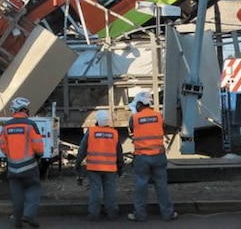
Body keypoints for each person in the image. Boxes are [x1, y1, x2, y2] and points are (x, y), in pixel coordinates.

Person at [127, 91, 176, 222]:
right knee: (161, 186)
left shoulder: (135, 118)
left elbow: (132, 128)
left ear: (139, 104)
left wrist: (134, 113)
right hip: (158, 156)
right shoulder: (159, 116)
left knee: (141, 186)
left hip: (142, 157)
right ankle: (168, 214)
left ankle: (140, 214)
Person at [0, 96, 44, 228]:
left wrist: (11, 156)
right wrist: (39, 155)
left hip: (13, 168)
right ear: (23, 109)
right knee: (34, 189)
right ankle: (29, 215)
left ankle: (18, 222)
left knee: (17, 196)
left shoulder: (7, 126)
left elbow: (2, 146)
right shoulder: (30, 124)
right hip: (29, 167)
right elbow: (38, 147)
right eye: (27, 109)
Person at [75, 109, 123, 221]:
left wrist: (77, 163)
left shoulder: (91, 132)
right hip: (110, 168)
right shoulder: (114, 133)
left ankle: (93, 214)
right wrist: (120, 167)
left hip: (94, 167)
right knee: (110, 190)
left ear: (97, 121)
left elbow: (82, 149)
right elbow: (119, 152)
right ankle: (112, 212)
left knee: (95, 190)